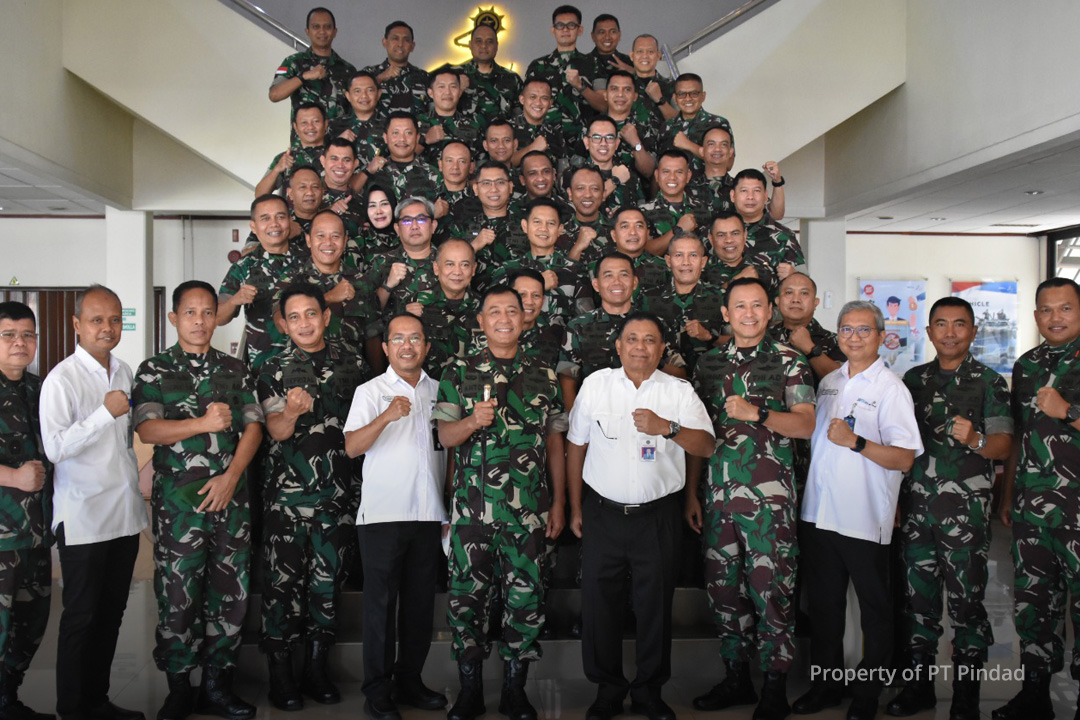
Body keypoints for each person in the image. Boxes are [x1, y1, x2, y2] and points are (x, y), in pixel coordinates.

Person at [566, 310, 714, 720]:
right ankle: (607, 690)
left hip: (657, 516)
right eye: (632, 339)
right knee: (600, 605)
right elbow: (576, 445)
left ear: (662, 348)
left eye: (650, 340)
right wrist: (576, 506)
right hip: (603, 513)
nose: (640, 347)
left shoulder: (678, 391)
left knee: (655, 606)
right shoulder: (596, 385)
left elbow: (705, 446)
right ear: (618, 346)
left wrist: (669, 428)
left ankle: (649, 691)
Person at [433, 285, 567, 720]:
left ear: (525, 318)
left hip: (529, 513)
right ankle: (470, 690)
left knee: (525, 602)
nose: (505, 319)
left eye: (513, 310)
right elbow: (445, 437)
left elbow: (555, 443)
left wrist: (559, 503)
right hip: (472, 513)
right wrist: (473, 420)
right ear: (481, 321)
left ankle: (515, 691)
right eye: (495, 311)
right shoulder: (458, 371)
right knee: (466, 602)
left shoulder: (544, 374)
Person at [132, 281, 264, 720]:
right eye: (190, 312)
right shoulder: (154, 370)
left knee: (230, 593)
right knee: (178, 594)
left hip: (231, 500)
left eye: (208, 312)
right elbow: (148, 430)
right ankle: (178, 688)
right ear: (174, 318)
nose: (200, 321)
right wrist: (201, 423)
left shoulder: (235, 369)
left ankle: (217, 687)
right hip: (178, 506)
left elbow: (254, 427)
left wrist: (232, 477)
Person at [687, 277, 817, 720]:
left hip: (769, 503)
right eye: (739, 306)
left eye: (757, 305)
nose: (748, 313)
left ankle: (775, 685)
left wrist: (757, 413)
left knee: (771, 591)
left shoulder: (789, 361)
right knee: (723, 591)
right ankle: (736, 678)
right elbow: (697, 435)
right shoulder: (708, 364)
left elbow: (805, 424)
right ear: (726, 313)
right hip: (718, 499)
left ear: (770, 311)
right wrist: (691, 495)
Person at [883, 297, 1012, 720]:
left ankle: (965, 697)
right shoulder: (912, 380)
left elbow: (1002, 446)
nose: (950, 332)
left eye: (960, 324)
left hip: (965, 517)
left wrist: (975, 439)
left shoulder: (989, 382)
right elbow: (898, 445)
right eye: (941, 324)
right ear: (929, 331)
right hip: (917, 510)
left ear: (973, 331)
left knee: (966, 606)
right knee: (918, 604)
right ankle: (918, 688)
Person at [795, 300, 922, 720]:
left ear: (881, 336)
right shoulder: (829, 381)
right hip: (819, 513)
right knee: (825, 608)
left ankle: (868, 694)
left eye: (864, 330)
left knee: (875, 611)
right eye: (846, 329)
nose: (854, 337)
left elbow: (905, 458)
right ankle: (826, 686)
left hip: (864, 516)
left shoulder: (891, 389)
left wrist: (858, 443)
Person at [40, 284, 148, 720]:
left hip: (123, 513)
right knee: (81, 617)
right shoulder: (61, 379)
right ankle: (72, 708)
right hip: (83, 516)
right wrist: (104, 413)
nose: (107, 328)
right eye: (97, 320)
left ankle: (97, 701)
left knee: (111, 614)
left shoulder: (123, 371)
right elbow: (55, 448)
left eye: (115, 320)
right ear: (77, 324)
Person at [256, 283, 367, 710]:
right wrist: (290, 411)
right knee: (282, 587)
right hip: (287, 501)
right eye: (294, 317)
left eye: (311, 314)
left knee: (328, 585)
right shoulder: (271, 367)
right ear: (283, 324)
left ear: (326, 316)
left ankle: (317, 669)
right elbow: (275, 430)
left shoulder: (352, 362)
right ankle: (280, 675)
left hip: (338, 498)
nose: (304, 323)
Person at [344, 312, 449, 720]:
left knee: (420, 606)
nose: (408, 346)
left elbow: (449, 451)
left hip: (429, 513)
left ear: (426, 346)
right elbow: (353, 446)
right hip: (383, 516)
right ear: (386, 348)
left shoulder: (440, 391)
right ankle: (377, 689)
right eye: (399, 339)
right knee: (381, 608)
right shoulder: (370, 391)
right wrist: (386, 416)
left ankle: (410, 681)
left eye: (415, 338)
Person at [995, 277, 1080, 720]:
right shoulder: (1027, 365)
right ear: (1035, 316)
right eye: (1046, 310)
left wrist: (1067, 410)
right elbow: (1019, 436)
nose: (1055, 318)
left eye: (1065, 308)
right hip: (1033, 511)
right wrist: (1008, 495)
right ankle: (1034, 695)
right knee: (1033, 604)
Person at [0, 302, 52, 720]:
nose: (20, 343)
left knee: (30, 623)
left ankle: (8, 700)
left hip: (36, 534)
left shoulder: (40, 389)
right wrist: (12, 476)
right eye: (8, 335)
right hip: (1, 539)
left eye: (27, 335)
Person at [218, 194, 303, 370]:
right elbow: (219, 317)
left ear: (290, 221)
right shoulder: (243, 267)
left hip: (306, 364)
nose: (274, 224)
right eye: (265, 218)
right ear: (253, 227)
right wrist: (235, 300)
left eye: (280, 217)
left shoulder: (309, 260)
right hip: (263, 367)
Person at [491, 197, 593, 328]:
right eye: (537, 222)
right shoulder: (507, 270)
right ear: (525, 226)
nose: (543, 228)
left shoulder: (576, 270)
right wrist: (539, 285)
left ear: (560, 229)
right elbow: (493, 313)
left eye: (550, 223)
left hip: (561, 340)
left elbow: (586, 321)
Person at [641, 230, 723, 373]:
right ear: (668, 261)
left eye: (693, 255)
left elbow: (740, 341)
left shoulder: (722, 297)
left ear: (703, 262)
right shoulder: (648, 298)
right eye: (679, 255)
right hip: (662, 380)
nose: (686, 262)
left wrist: (709, 336)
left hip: (713, 379)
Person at [526, 5, 603, 152]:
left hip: (584, 143)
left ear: (580, 30)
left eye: (571, 25)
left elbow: (603, 105)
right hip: (545, 142)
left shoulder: (593, 63)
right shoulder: (538, 66)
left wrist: (581, 86)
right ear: (553, 30)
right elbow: (526, 105)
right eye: (560, 25)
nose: (565, 30)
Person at [269, 7, 356, 127]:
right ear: (307, 31)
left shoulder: (348, 69)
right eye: (316, 27)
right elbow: (274, 95)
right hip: (305, 138)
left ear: (335, 32)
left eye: (327, 27)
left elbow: (357, 110)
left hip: (339, 138)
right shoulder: (294, 62)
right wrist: (303, 76)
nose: (322, 31)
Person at [406, 238, 480, 377]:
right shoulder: (416, 302)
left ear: (473, 269)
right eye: (450, 264)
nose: (457, 272)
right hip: (426, 385)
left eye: (464, 265)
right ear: (436, 268)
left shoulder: (484, 307)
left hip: (470, 384)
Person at [368, 196, 440, 318]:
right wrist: (387, 285)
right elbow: (368, 313)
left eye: (421, 220)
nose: (414, 226)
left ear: (433, 226)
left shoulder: (448, 261)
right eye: (407, 221)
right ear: (397, 229)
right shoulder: (382, 262)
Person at [731, 169, 803, 281]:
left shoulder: (785, 236)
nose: (750, 197)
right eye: (744, 190)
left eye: (757, 191)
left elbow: (805, 282)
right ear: (732, 195)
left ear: (765, 196)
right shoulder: (716, 233)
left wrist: (795, 274)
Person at [641, 149, 707, 256]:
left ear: (688, 176)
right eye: (666, 171)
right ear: (657, 175)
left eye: (679, 172)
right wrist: (679, 229)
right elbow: (645, 250)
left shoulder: (703, 208)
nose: (672, 177)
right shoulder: (643, 212)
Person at [256, 103, 328, 196]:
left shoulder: (336, 156)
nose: (310, 127)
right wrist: (277, 169)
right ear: (295, 127)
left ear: (325, 124)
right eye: (304, 122)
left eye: (316, 121)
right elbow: (259, 195)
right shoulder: (285, 158)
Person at [418, 65, 483, 165]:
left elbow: (481, 162)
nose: (447, 92)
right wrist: (425, 140)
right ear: (430, 93)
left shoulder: (473, 124)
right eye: (441, 87)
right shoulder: (417, 123)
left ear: (459, 92)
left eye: (453, 87)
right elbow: (402, 157)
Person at [664, 73, 730, 169]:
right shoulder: (667, 127)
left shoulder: (718, 123)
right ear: (675, 98)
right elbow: (658, 165)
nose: (688, 98)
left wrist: (688, 145)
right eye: (681, 94)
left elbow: (728, 164)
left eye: (694, 93)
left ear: (703, 96)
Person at [362, 21, 429, 116]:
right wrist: (379, 78)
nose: (400, 44)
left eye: (406, 40)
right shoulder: (369, 74)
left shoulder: (424, 77)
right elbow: (357, 100)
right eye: (395, 39)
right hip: (378, 126)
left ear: (412, 46)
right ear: (384, 42)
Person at [461, 24, 522, 124]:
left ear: (497, 45)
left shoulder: (512, 79)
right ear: (470, 45)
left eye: (489, 41)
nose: (484, 46)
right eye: (478, 41)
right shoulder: (454, 76)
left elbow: (520, 119)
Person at [628, 34, 677, 121]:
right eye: (640, 51)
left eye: (650, 52)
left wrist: (660, 100)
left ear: (658, 55)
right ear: (632, 56)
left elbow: (682, 122)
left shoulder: (672, 86)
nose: (645, 56)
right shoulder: (623, 86)